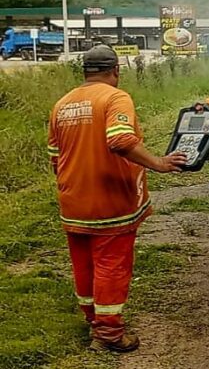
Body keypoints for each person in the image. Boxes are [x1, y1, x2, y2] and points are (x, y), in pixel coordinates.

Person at [47, 45, 187, 353]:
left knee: (83, 263)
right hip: (109, 201)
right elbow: (120, 140)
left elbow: (55, 158)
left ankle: (92, 317)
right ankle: (109, 333)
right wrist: (160, 164)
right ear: (115, 71)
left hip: (73, 200)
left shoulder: (62, 104)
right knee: (111, 263)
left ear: (84, 72)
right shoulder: (114, 97)